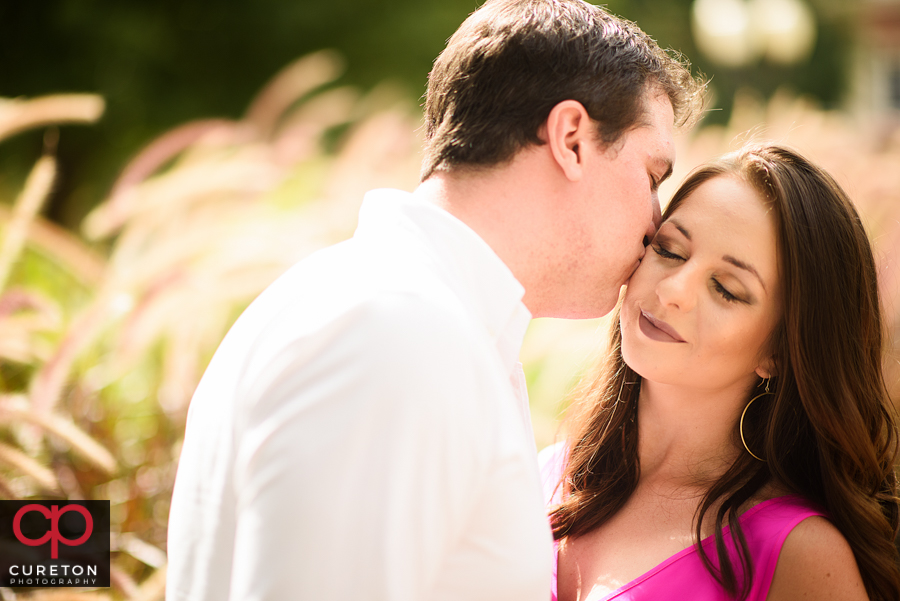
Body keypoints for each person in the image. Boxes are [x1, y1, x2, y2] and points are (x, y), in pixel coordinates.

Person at [165, 1, 704, 600]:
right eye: (652, 176)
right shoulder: (397, 335)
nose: (657, 222)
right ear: (572, 139)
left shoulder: (411, 320)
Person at [541, 143, 900, 601]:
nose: (673, 290)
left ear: (779, 350)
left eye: (726, 290)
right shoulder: (547, 473)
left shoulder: (796, 553)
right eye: (669, 250)